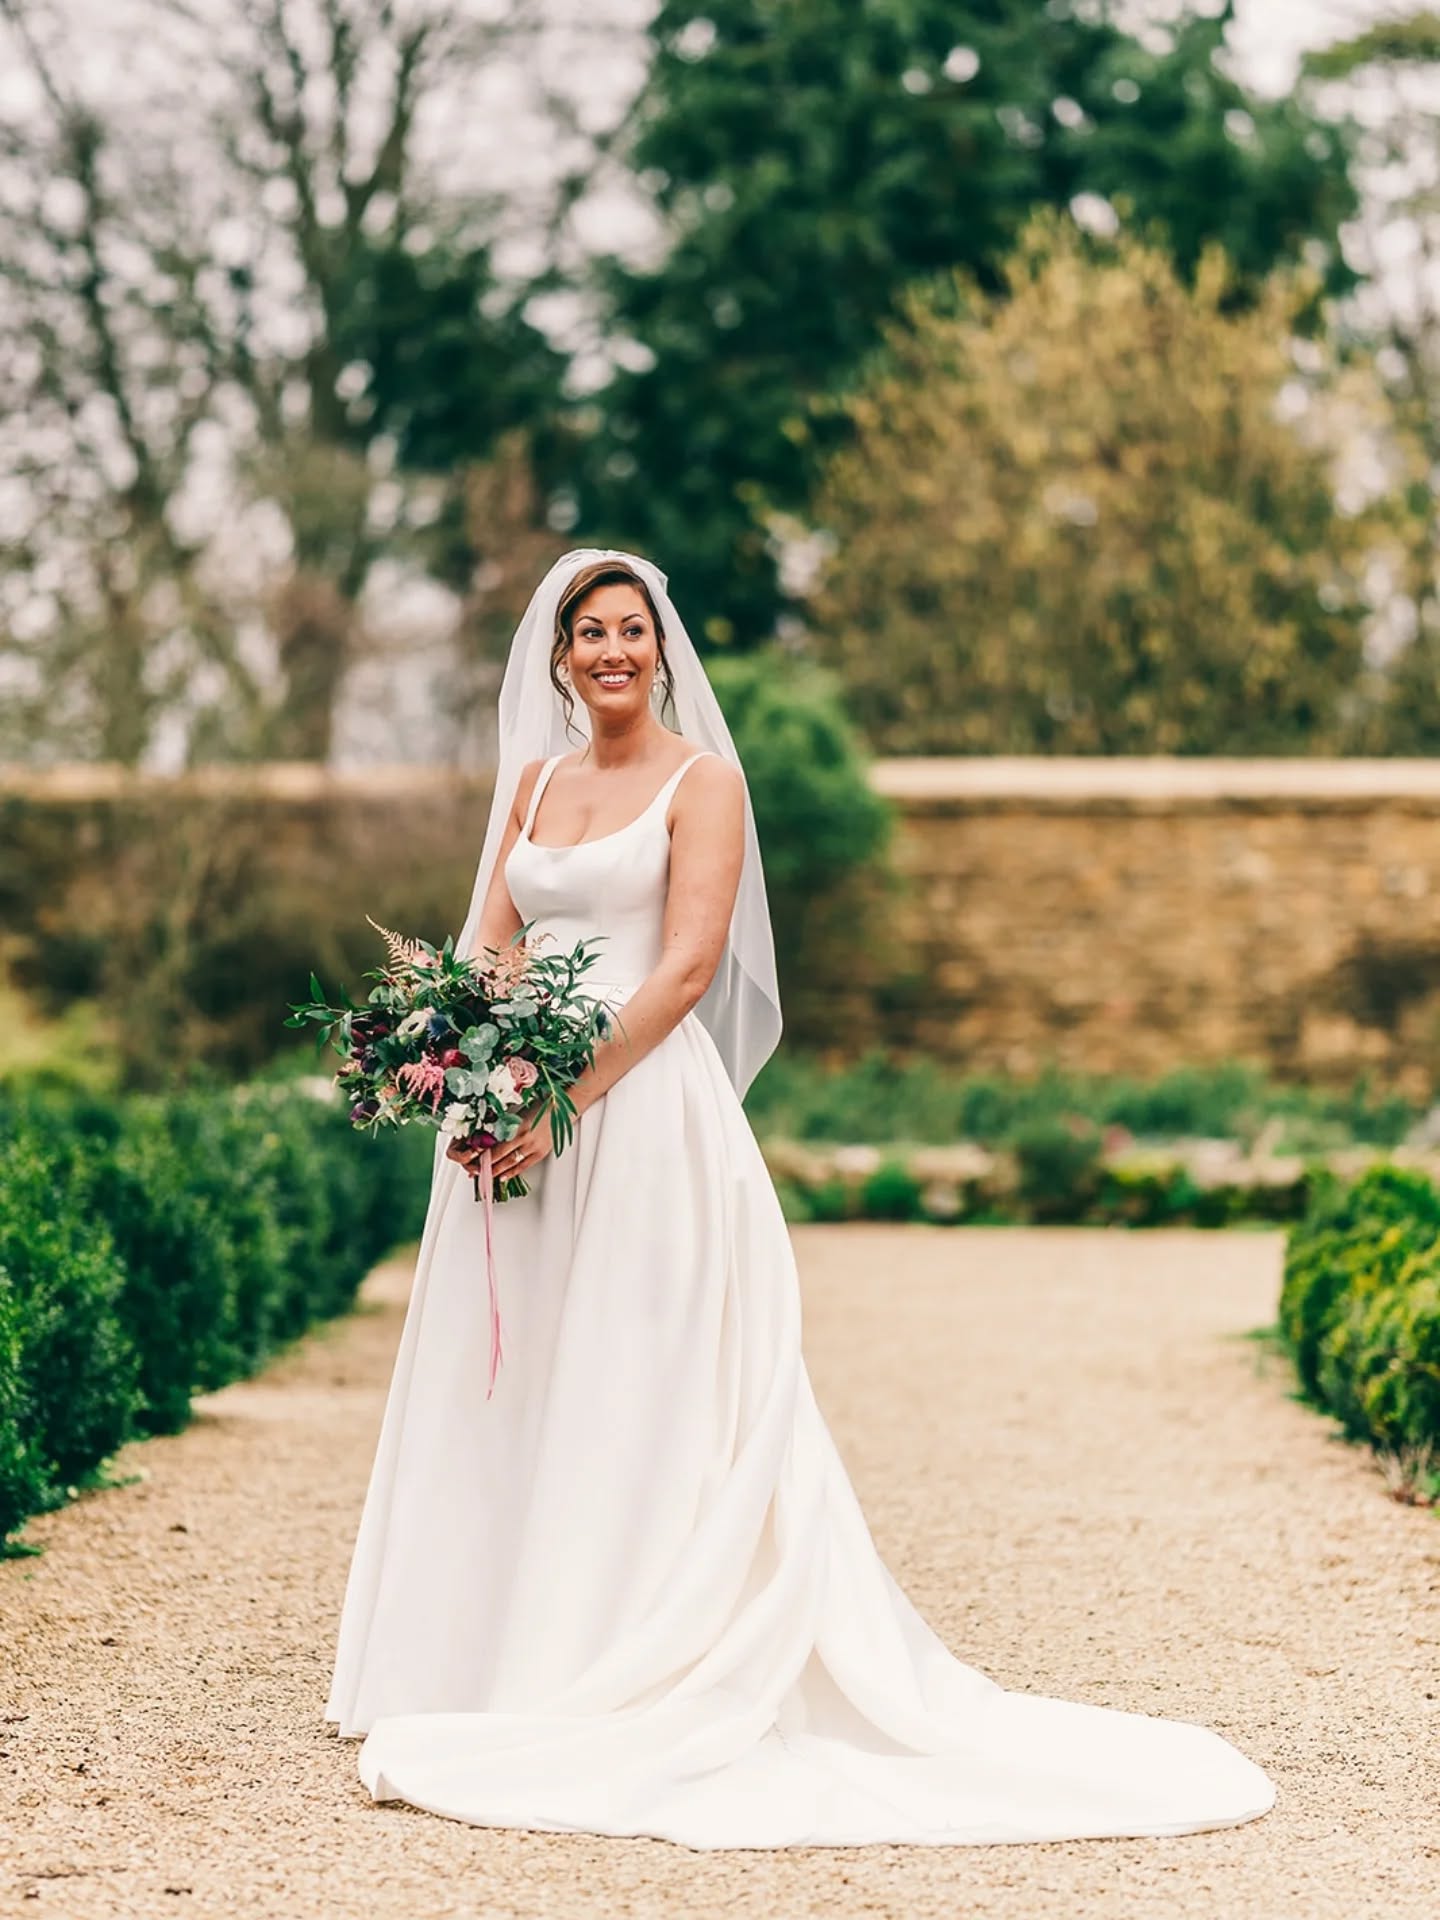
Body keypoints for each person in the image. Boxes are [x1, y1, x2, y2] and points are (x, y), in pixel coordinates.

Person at [323, 547, 1276, 1848]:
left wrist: (564, 1095)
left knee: (635, 1374)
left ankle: (624, 1647)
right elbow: (495, 934)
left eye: (631, 631)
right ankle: (491, 1656)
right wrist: (469, 1064)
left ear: (661, 649)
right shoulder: (537, 783)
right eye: (587, 632)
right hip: (519, 1120)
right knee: (519, 1373)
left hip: (638, 1113)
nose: (611, 651)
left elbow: (688, 964)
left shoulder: (703, 783)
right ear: (555, 656)